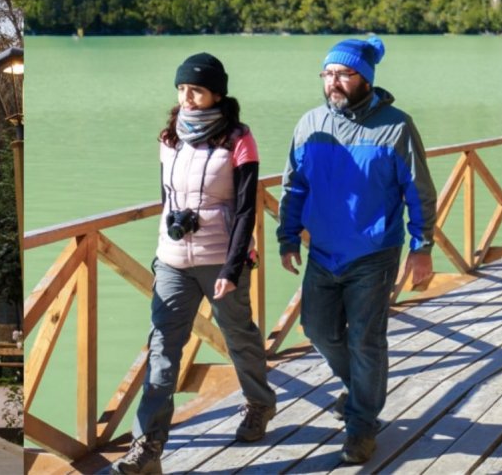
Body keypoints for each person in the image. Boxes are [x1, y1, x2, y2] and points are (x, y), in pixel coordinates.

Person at [277, 36, 436, 465]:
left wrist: (421, 247)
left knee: (366, 341)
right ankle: (363, 390)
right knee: (317, 330)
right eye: (327, 74)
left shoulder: (396, 126)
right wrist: (287, 237)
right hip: (322, 253)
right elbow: (294, 186)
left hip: (374, 252)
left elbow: (418, 191)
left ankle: (361, 425)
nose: (334, 82)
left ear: (365, 78)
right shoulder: (309, 124)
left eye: (344, 74)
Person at [116, 53, 275, 475]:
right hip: (172, 261)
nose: (187, 97)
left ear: (216, 94)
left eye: (197, 90)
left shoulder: (239, 139)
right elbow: (168, 197)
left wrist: (232, 268)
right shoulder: (170, 137)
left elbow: (245, 210)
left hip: (222, 258)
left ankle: (259, 404)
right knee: (163, 351)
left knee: (238, 334)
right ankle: (147, 449)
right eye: (182, 89)